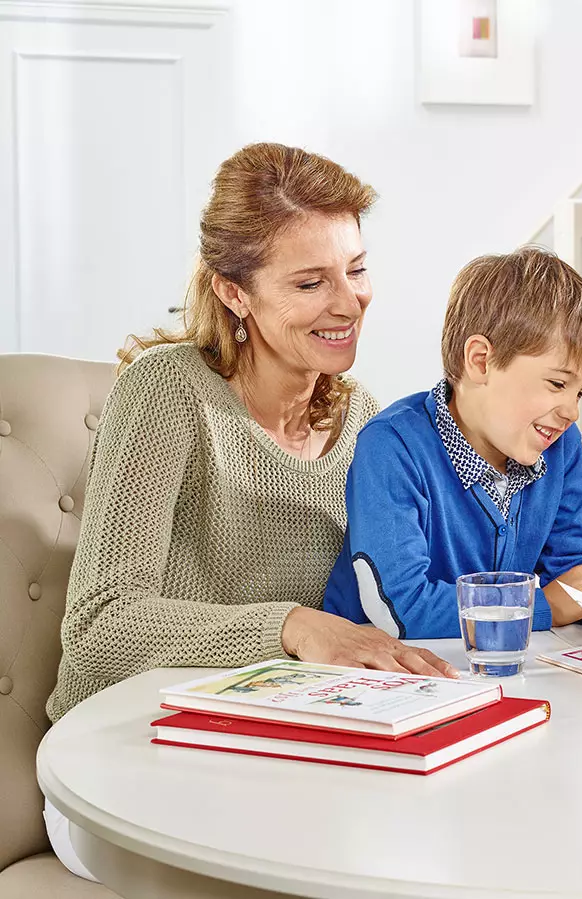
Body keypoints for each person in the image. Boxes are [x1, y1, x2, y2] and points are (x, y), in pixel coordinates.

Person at [45, 143, 453, 881]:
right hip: (120, 765)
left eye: (356, 269)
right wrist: (291, 625)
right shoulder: (166, 393)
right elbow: (99, 624)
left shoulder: (363, 417)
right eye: (309, 282)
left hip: (276, 760)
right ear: (234, 292)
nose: (348, 301)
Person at [323, 247, 582, 638]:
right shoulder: (391, 447)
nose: (571, 412)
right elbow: (399, 607)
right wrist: (539, 606)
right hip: (375, 680)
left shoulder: (560, 445)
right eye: (558, 384)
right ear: (480, 361)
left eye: (581, 393)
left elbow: (575, 571)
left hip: (488, 668)